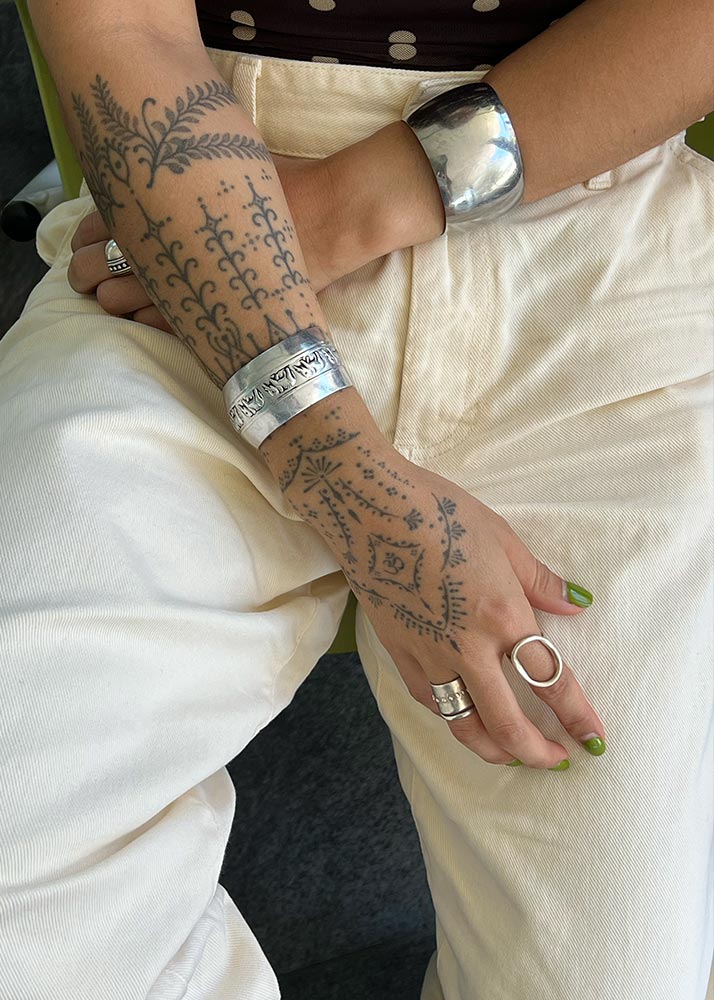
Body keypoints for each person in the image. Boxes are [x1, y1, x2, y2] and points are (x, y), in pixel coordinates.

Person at [0, 0, 712, 997]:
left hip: (598, 249)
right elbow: (125, 36)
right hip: (197, 218)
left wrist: (346, 207)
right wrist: (352, 485)